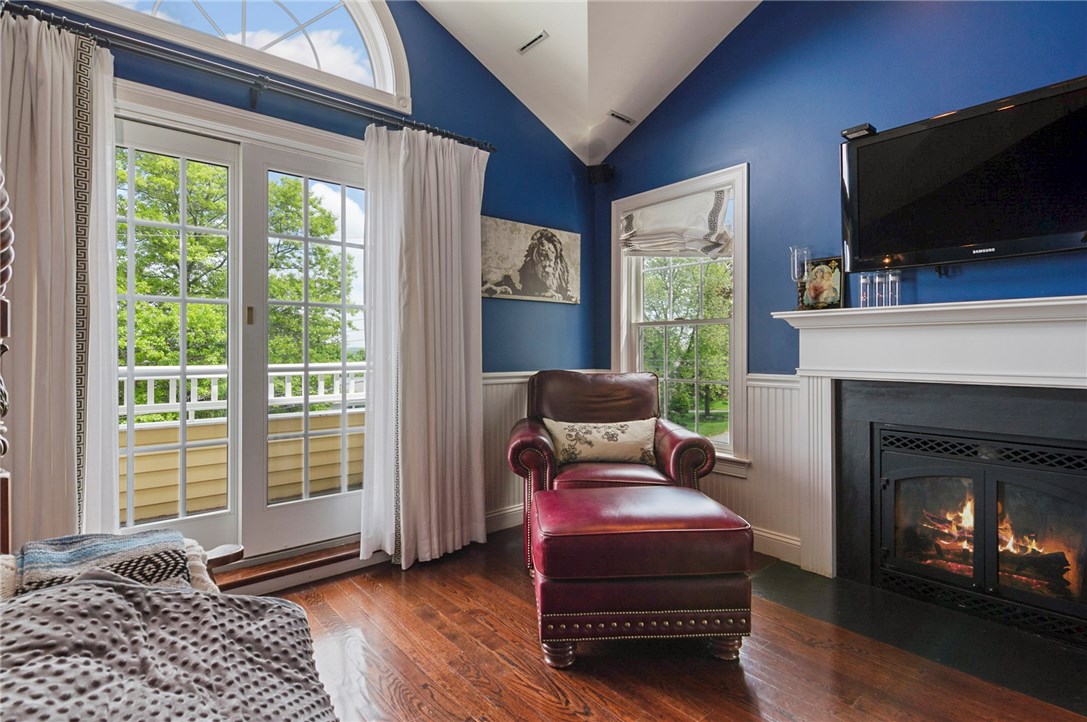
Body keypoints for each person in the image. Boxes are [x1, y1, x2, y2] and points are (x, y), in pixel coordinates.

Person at [501, 228, 578, 302]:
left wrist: (567, 294)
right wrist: (545, 293)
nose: (550, 257)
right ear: (535, 255)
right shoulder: (530, 268)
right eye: (544, 252)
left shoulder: (561, 268)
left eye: (552, 252)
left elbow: (563, 288)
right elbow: (529, 290)